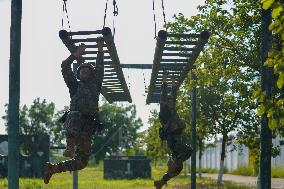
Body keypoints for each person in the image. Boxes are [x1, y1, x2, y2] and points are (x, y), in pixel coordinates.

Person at [43, 37, 104, 184]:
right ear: (78, 74)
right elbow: (65, 66)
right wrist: (75, 54)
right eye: (81, 70)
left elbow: (100, 67)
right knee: (74, 114)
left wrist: (100, 49)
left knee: (82, 162)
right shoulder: (74, 85)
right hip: (75, 122)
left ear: (91, 74)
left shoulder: (96, 85)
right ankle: (69, 146)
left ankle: (54, 169)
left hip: (88, 126)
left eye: (87, 70)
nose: (84, 72)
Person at [154, 71, 192, 189]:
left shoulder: (172, 109)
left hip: (176, 139)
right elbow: (163, 94)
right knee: (188, 151)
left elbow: (174, 95)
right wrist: (164, 80)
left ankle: (161, 181)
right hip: (173, 140)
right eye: (170, 101)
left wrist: (174, 83)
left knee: (179, 167)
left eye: (172, 101)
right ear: (166, 102)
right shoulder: (164, 110)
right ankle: (173, 164)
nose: (172, 102)